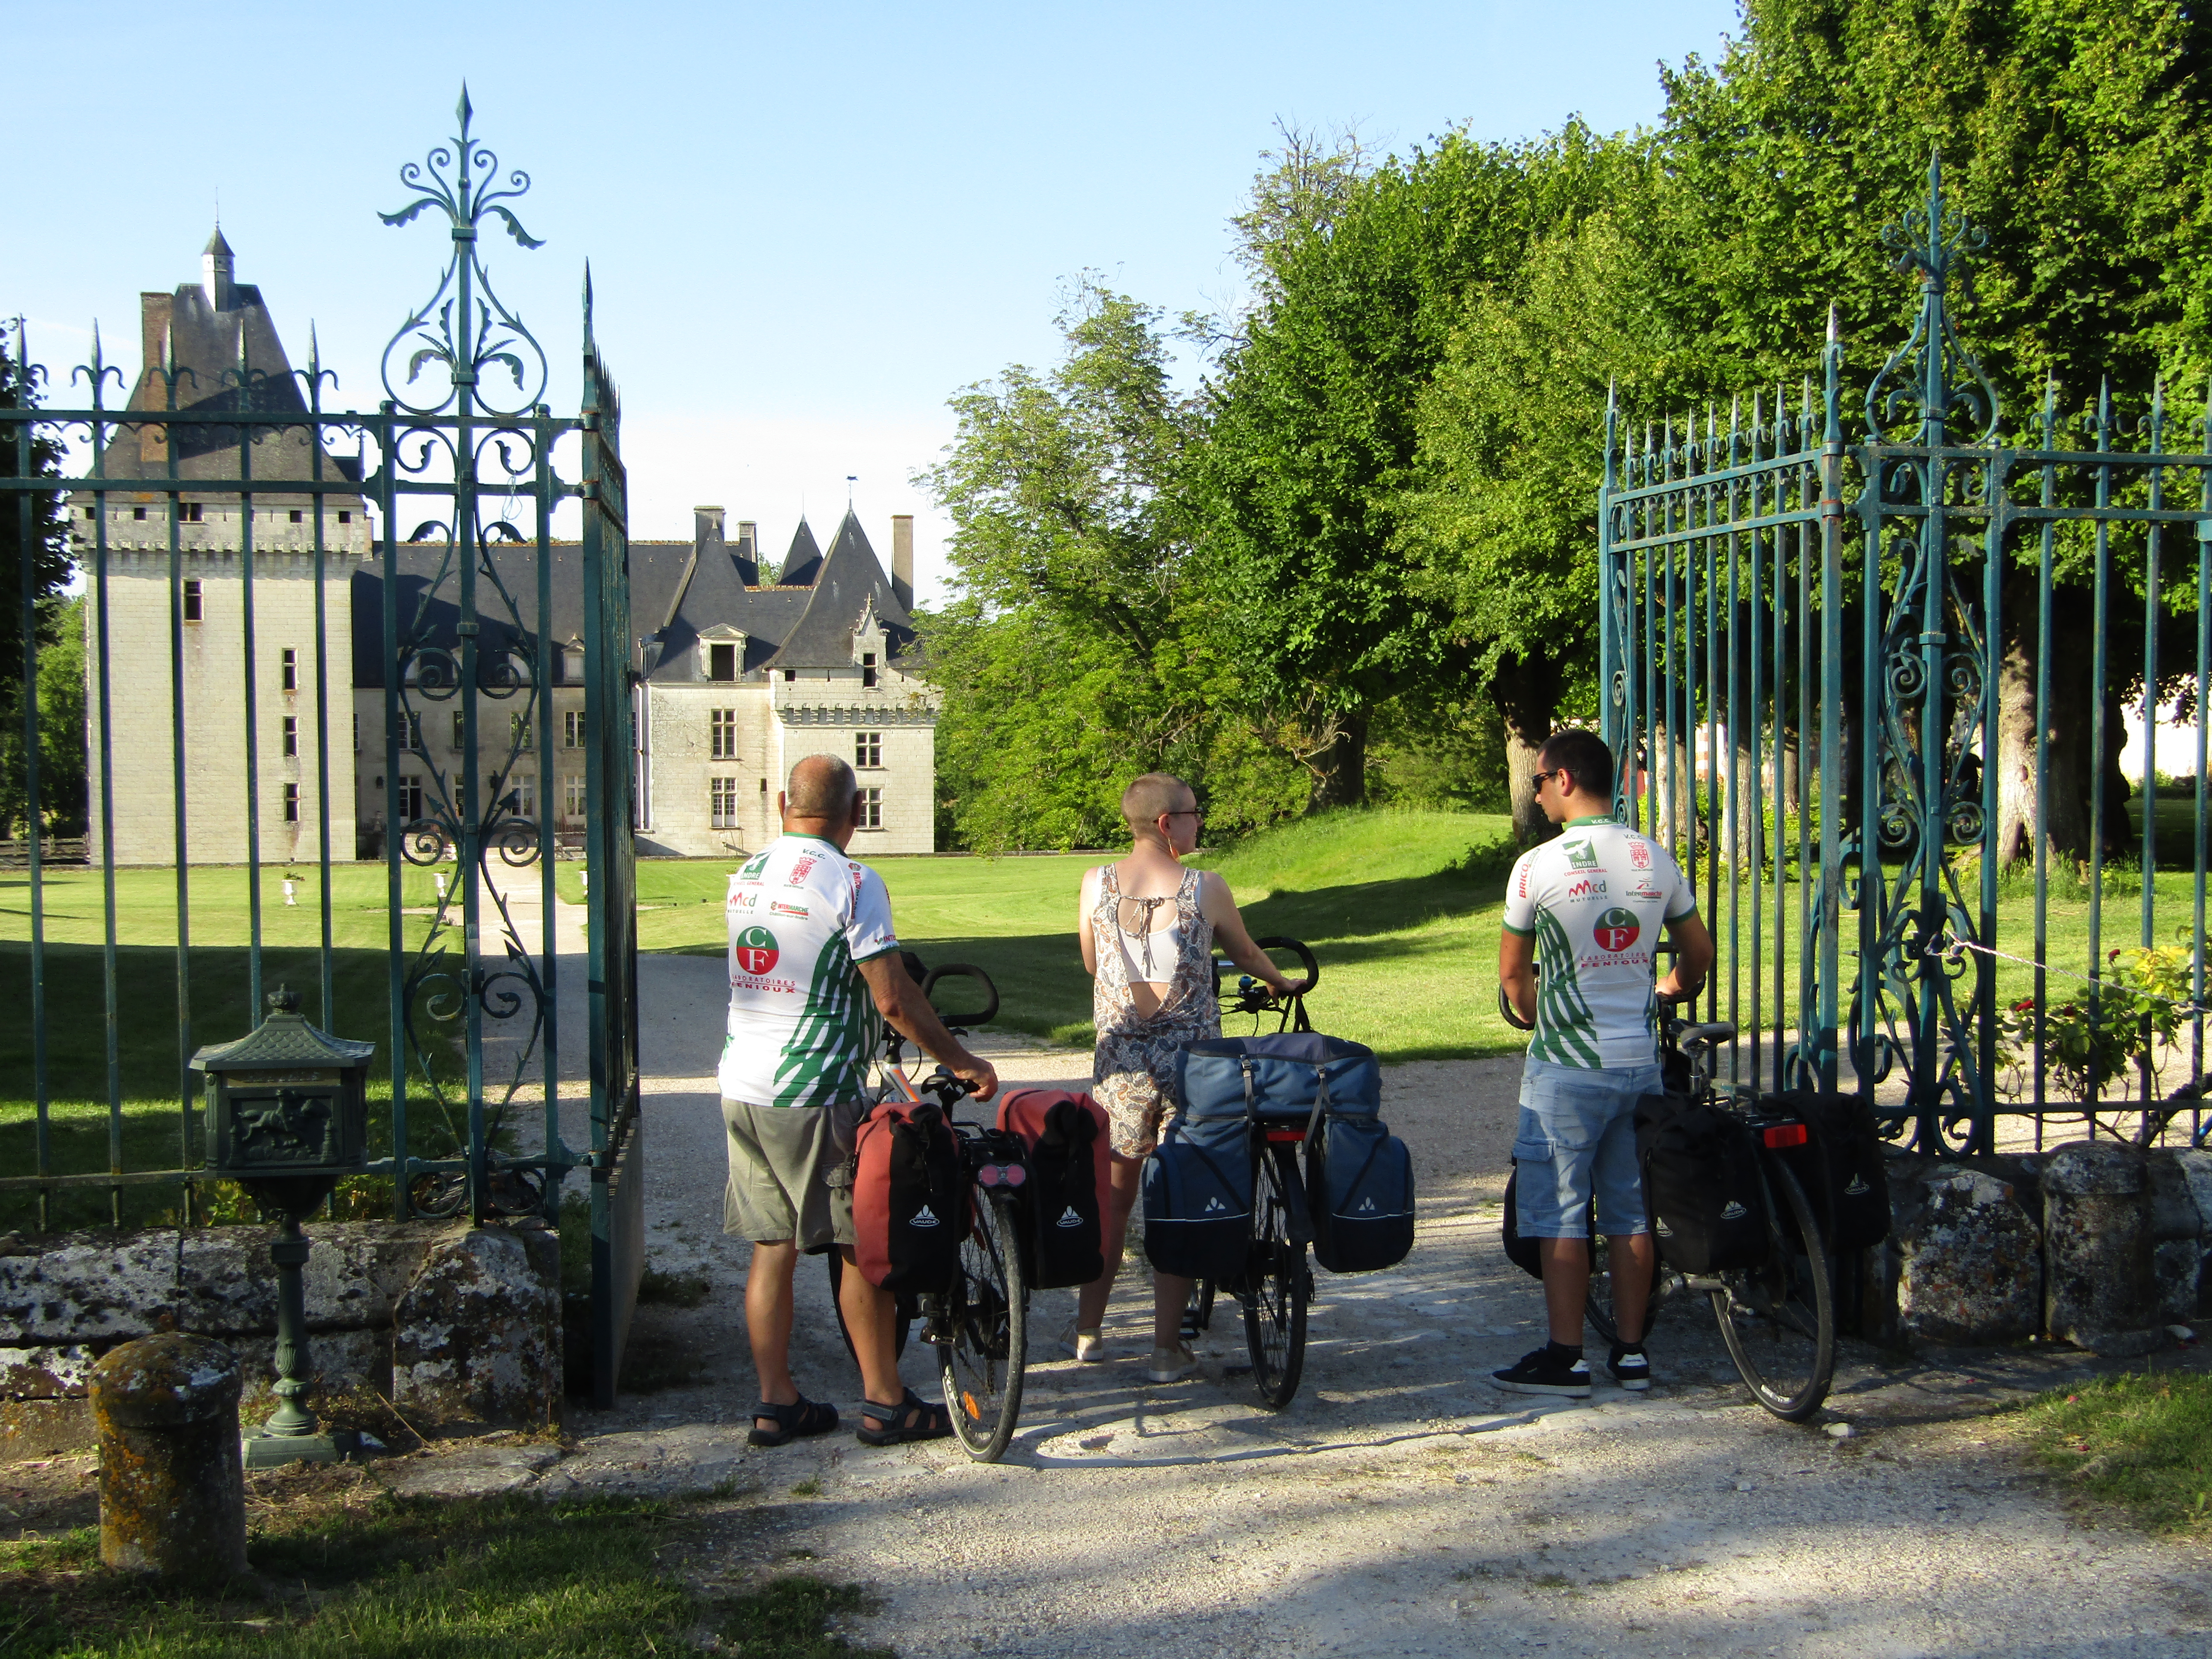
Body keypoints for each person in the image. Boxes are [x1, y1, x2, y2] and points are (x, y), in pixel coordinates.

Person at [720, 754, 999, 1448]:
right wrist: (962, 1062)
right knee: (859, 1243)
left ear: (784, 802)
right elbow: (892, 998)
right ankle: (885, 1401)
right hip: (814, 1090)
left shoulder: (749, 872)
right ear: (855, 817)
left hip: (743, 1084)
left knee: (773, 1247)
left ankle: (776, 1401)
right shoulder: (851, 880)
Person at [1494, 729, 1713, 1400]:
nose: (1536, 793)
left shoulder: (1537, 867)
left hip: (1566, 1066)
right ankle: (1632, 1351)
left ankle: (1567, 1357)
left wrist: (1531, 1012)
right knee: (1628, 1209)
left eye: (1538, 781)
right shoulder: (1655, 858)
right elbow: (1697, 956)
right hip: (1638, 1066)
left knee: (1560, 1211)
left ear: (1563, 780)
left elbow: (1512, 975)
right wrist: (1668, 990)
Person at [1071, 772, 1300, 1382]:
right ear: (1169, 823)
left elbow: (1095, 964)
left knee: (1115, 1199)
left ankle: (1089, 1332)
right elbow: (1247, 954)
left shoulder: (1096, 884)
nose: (1202, 822)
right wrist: (1284, 983)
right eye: (1195, 814)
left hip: (1121, 1062)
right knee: (1177, 1197)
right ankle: (1165, 1349)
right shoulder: (1206, 887)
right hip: (1193, 1065)